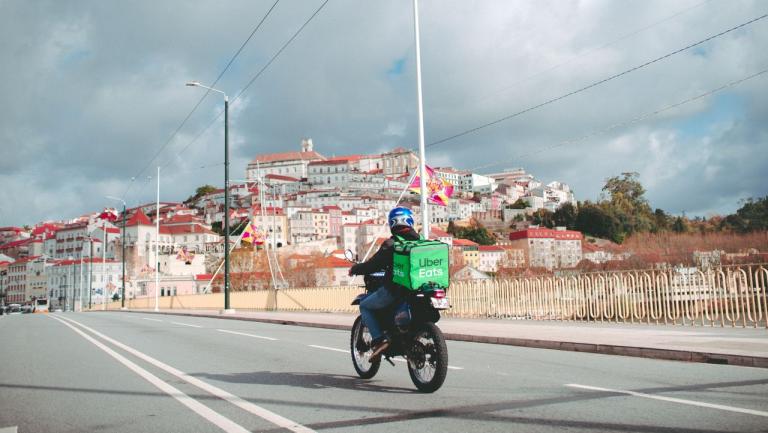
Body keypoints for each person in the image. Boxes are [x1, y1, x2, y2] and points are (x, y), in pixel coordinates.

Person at [349, 207, 421, 360]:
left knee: (365, 306)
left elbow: (373, 265)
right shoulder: (420, 242)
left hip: (396, 290)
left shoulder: (391, 244)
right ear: (410, 220)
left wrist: (355, 269)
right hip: (420, 289)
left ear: (392, 223)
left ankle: (379, 339)